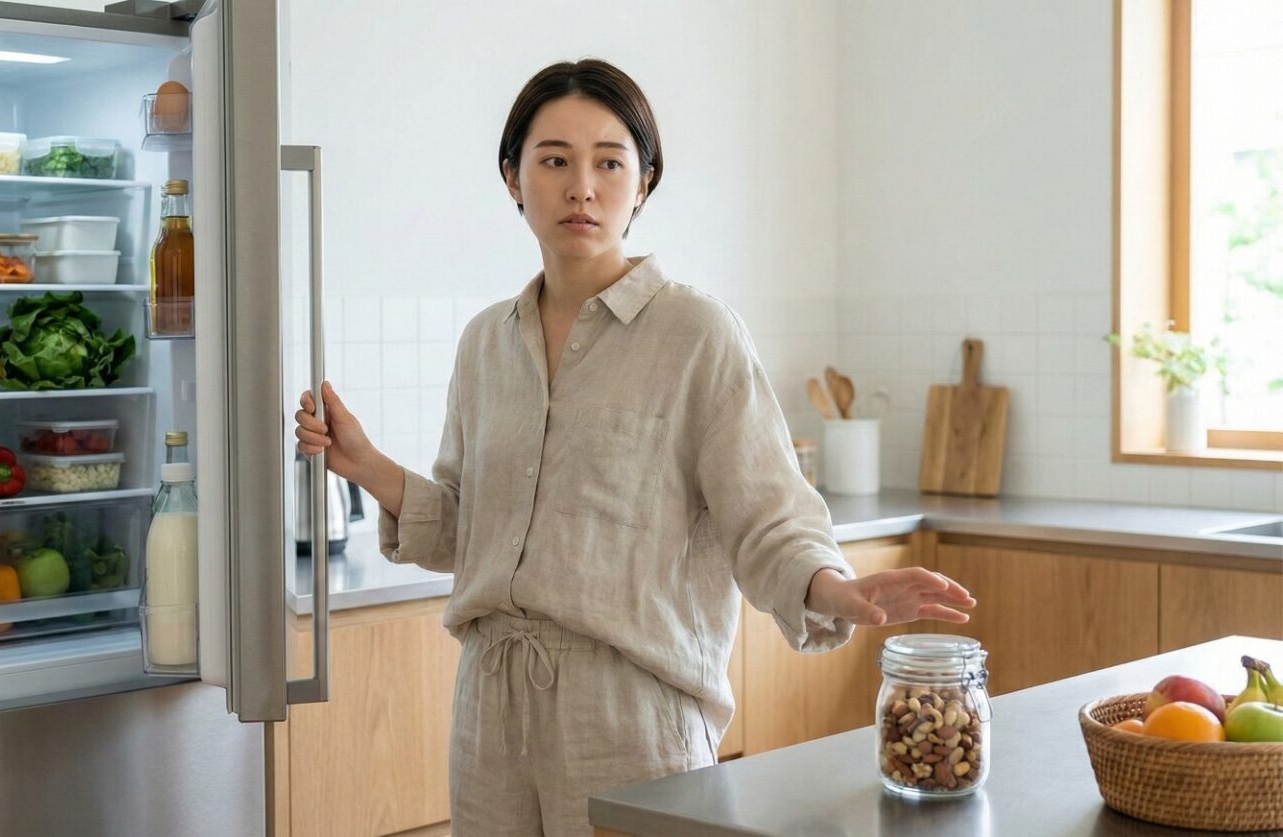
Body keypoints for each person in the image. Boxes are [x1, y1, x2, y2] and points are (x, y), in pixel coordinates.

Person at [295, 58, 975, 837]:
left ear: (643, 183)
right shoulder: (485, 343)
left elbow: (768, 516)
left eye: (609, 162)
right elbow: (468, 528)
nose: (581, 187)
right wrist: (368, 466)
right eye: (553, 160)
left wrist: (834, 587)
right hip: (488, 712)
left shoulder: (697, 335)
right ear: (513, 178)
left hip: (631, 716)